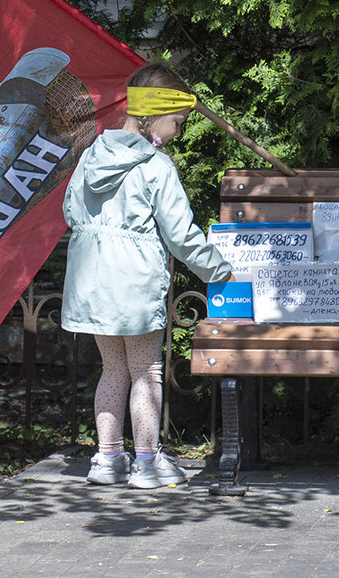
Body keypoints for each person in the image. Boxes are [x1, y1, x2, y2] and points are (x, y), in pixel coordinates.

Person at [61, 63, 234, 489]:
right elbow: (180, 236)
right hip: (134, 285)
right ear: (155, 116)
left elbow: (69, 211)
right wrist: (220, 270)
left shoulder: (90, 156)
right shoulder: (157, 167)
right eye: (177, 122)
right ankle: (146, 462)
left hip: (92, 283)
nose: (179, 131)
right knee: (146, 371)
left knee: (112, 370)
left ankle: (106, 460)